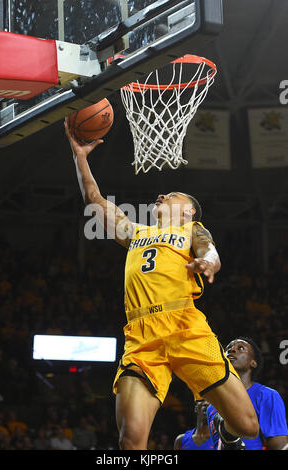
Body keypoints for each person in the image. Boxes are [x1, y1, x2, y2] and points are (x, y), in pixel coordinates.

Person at [64, 120, 259, 450]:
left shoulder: (192, 229)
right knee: (130, 442)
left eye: (173, 195)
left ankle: (225, 432)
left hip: (186, 328)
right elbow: (94, 200)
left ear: (189, 210)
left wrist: (207, 263)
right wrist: (79, 155)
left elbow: (210, 252)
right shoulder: (135, 232)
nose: (162, 195)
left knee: (249, 426)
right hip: (141, 337)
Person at [207, 337, 288, 450]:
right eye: (228, 348)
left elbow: (279, 446)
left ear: (253, 363)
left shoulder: (267, 396)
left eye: (241, 348)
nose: (231, 350)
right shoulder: (211, 406)